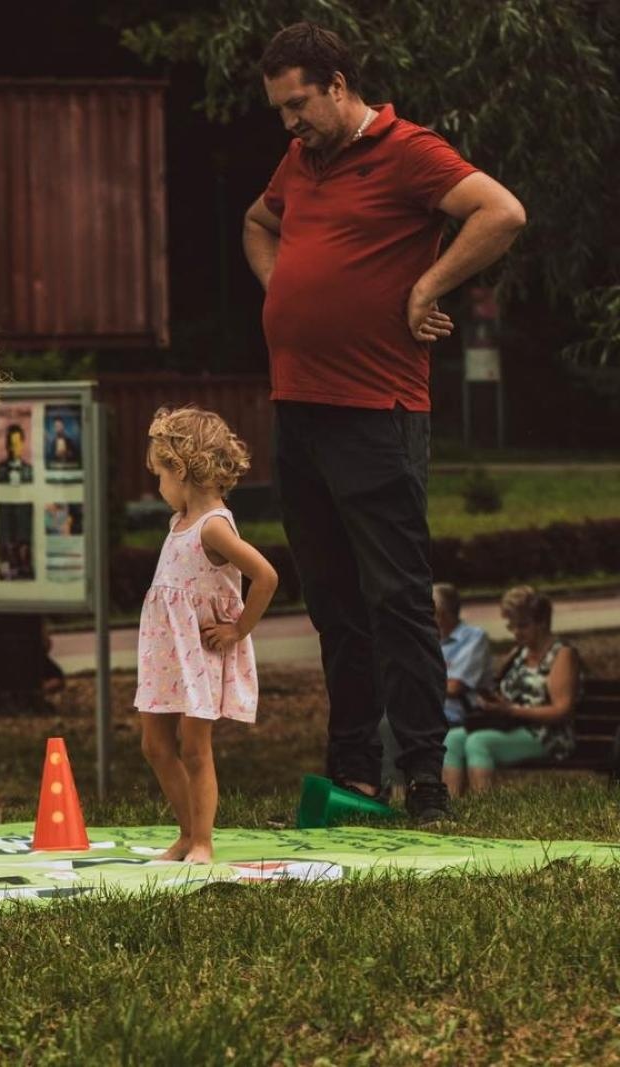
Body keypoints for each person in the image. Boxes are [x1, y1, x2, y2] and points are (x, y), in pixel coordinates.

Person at [242, 22, 526, 824]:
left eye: (299, 103)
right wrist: (281, 290)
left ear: (338, 85)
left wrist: (425, 288)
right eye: (279, 109)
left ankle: (425, 779)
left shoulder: (408, 150)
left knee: (396, 599)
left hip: (377, 411)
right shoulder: (302, 160)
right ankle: (353, 774)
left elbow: (501, 212)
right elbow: (258, 223)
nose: (289, 122)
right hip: (298, 409)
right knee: (331, 600)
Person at [135, 407, 278, 864]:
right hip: (165, 653)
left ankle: (203, 841)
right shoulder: (178, 522)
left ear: (179, 470)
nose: (157, 487)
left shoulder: (213, 526)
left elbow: (266, 575)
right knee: (154, 745)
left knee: (195, 747)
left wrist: (238, 629)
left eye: (159, 475)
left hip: (197, 652)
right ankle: (185, 832)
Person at [443, 586, 580, 796]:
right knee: (452, 739)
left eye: (523, 626)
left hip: (548, 736)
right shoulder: (519, 652)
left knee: (479, 742)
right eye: (511, 626)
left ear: (542, 622)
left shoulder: (562, 654)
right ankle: (449, 807)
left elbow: (562, 710)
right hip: (510, 727)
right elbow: (500, 688)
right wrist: (492, 702)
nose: (516, 632)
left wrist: (512, 710)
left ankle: (485, 811)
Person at [379, 582, 491, 792]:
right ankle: (395, 792)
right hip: (423, 711)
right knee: (386, 721)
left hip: (456, 716)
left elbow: (456, 686)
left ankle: (429, 792)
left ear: (442, 614)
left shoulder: (473, 638)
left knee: (398, 724)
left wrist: (420, 683)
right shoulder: (426, 638)